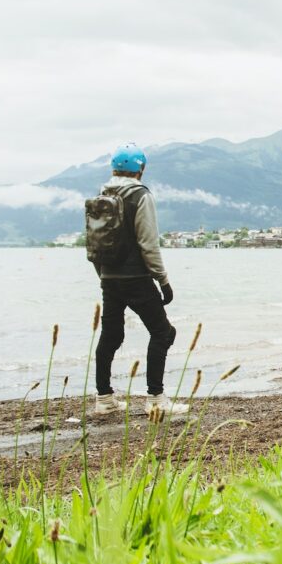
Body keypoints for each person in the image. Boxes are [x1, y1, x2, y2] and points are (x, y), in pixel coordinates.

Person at [92, 143, 188, 415]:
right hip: (136, 277)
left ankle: (105, 399)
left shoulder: (101, 196)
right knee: (163, 332)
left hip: (108, 276)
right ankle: (156, 399)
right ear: (141, 170)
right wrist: (163, 280)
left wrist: (103, 275)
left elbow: (95, 243)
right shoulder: (140, 196)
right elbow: (148, 244)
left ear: (113, 168)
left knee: (111, 335)